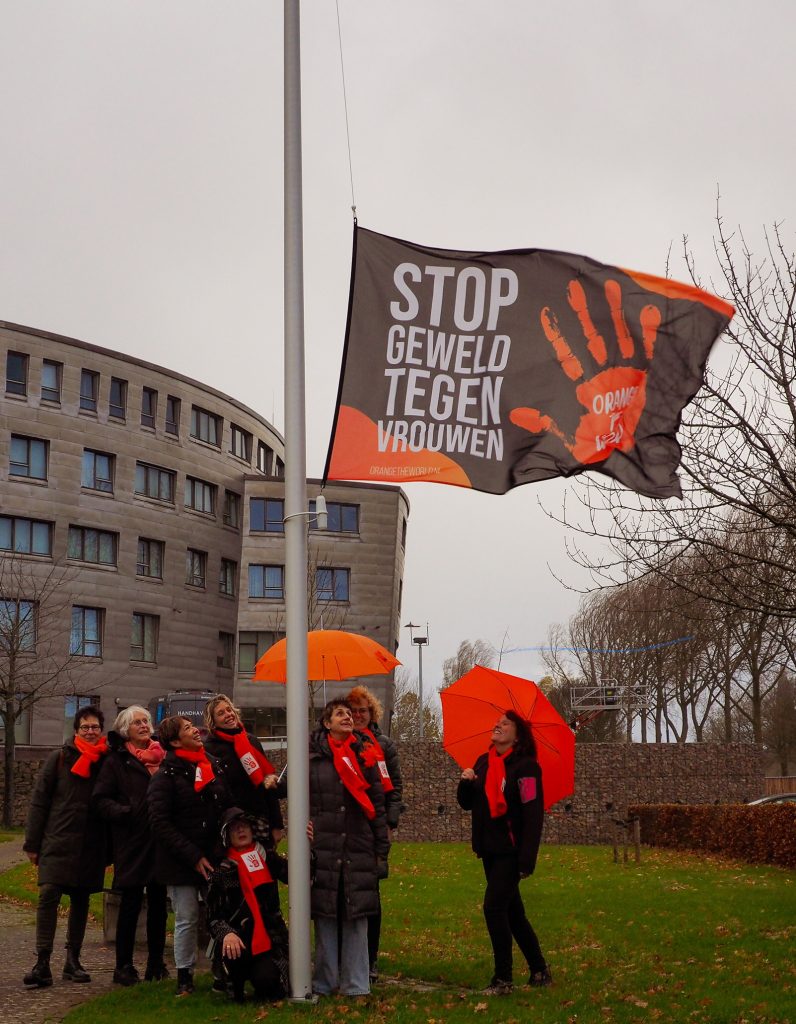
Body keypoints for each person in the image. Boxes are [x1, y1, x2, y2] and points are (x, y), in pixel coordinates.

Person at [456, 710, 551, 995]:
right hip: (489, 849)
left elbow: (533, 815)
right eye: (496, 721)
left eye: (505, 723)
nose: (497, 725)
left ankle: (503, 980)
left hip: (511, 852)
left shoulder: (526, 768)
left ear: (517, 734)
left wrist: (527, 859)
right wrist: (466, 782)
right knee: (513, 913)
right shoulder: (484, 762)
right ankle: (540, 970)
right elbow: (467, 804)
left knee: (494, 908)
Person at [23, 704, 109, 988]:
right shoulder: (58, 758)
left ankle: (73, 961)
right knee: (48, 896)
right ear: (76, 731)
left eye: (95, 727)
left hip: (90, 845)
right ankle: (42, 962)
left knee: (81, 902)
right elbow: (39, 802)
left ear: (101, 730)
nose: (90, 731)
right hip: (57, 841)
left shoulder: (106, 762)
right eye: (85, 727)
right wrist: (32, 844)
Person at [308, 698, 389, 997]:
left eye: (349, 714)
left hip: (358, 843)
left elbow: (377, 804)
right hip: (326, 844)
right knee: (326, 913)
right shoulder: (312, 758)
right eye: (339, 713)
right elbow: (292, 791)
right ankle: (325, 982)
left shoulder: (366, 755)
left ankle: (357, 984)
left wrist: (381, 846)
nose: (347, 717)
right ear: (327, 723)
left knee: (357, 915)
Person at [147, 714, 231, 996]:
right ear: (173, 740)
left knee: (221, 913)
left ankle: (223, 970)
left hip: (214, 855)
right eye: (187, 729)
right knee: (187, 917)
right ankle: (185, 976)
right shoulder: (165, 777)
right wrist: (193, 855)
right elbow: (160, 823)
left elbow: (224, 807)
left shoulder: (212, 766)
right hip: (180, 860)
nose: (195, 730)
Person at [93, 705, 169, 986]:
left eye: (146, 721)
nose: (143, 725)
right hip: (132, 842)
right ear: (126, 729)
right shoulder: (117, 761)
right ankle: (123, 966)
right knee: (131, 904)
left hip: (161, 842)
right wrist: (125, 812)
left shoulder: (163, 756)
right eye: (137, 722)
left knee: (160, 905)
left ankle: (156, 963)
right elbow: (100, 800)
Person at [346, 684, 404, 980]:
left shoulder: (384, 745)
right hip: (346, 827)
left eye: (363, 711)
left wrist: (389, 823)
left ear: (372, 713)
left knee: (371, 895)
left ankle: (369, 960)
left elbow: (395, 788)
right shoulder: (340, 743)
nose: (358, 716)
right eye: (353, 711)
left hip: (374, 826)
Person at [206, 807, 290, 1002]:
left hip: (268, 937)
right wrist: (226, 934)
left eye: (244, 827)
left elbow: (293, 875)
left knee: (268, 984)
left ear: (253, 831)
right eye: (235, 828)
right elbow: (212, 916)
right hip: (237, 939)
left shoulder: (267, 858)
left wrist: (308, 847)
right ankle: (230, 980)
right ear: (227, 835)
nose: (241, 831)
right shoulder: (221, 870)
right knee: (234, 956)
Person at [202, 695, 285, 846]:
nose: (228, 714)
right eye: (221, 713)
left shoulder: (251, 741)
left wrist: (277, 824)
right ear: (212, 722)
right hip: (233, 823)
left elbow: (267, 784)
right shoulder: (209, 749)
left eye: (229, 710)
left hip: (261, 818)